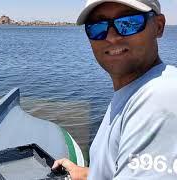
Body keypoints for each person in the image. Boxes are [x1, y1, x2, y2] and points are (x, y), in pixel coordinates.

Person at [52, 0, 177, 179]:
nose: (111, 37)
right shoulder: (135, 91)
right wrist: (90, 174)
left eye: (129, 23)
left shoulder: (159, 100)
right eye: (97, 26)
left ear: (158, 26)